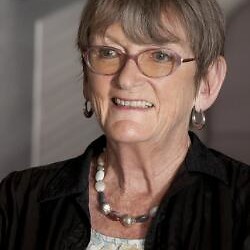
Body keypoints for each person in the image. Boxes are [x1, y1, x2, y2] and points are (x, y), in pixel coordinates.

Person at [0, 0, 250, 249]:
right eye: (108, 53)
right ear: (87, 79)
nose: (127, 79)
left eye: (159, 56)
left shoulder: (242, 206)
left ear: (207, 83)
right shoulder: (19, 200)